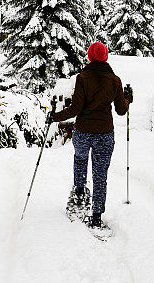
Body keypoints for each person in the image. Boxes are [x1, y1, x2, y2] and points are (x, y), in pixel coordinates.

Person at [50, 42, 132, 229]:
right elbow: (121, 110)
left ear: (89, 57)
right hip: (104, 134)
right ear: (106, 57)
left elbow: (76, 108)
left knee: (80, 160)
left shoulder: (83, 78)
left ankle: (79, 195)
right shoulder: (115, 80)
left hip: (83, 132)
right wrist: (127, 99)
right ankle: (96, 216)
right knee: (100, 174)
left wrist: (55, 117)